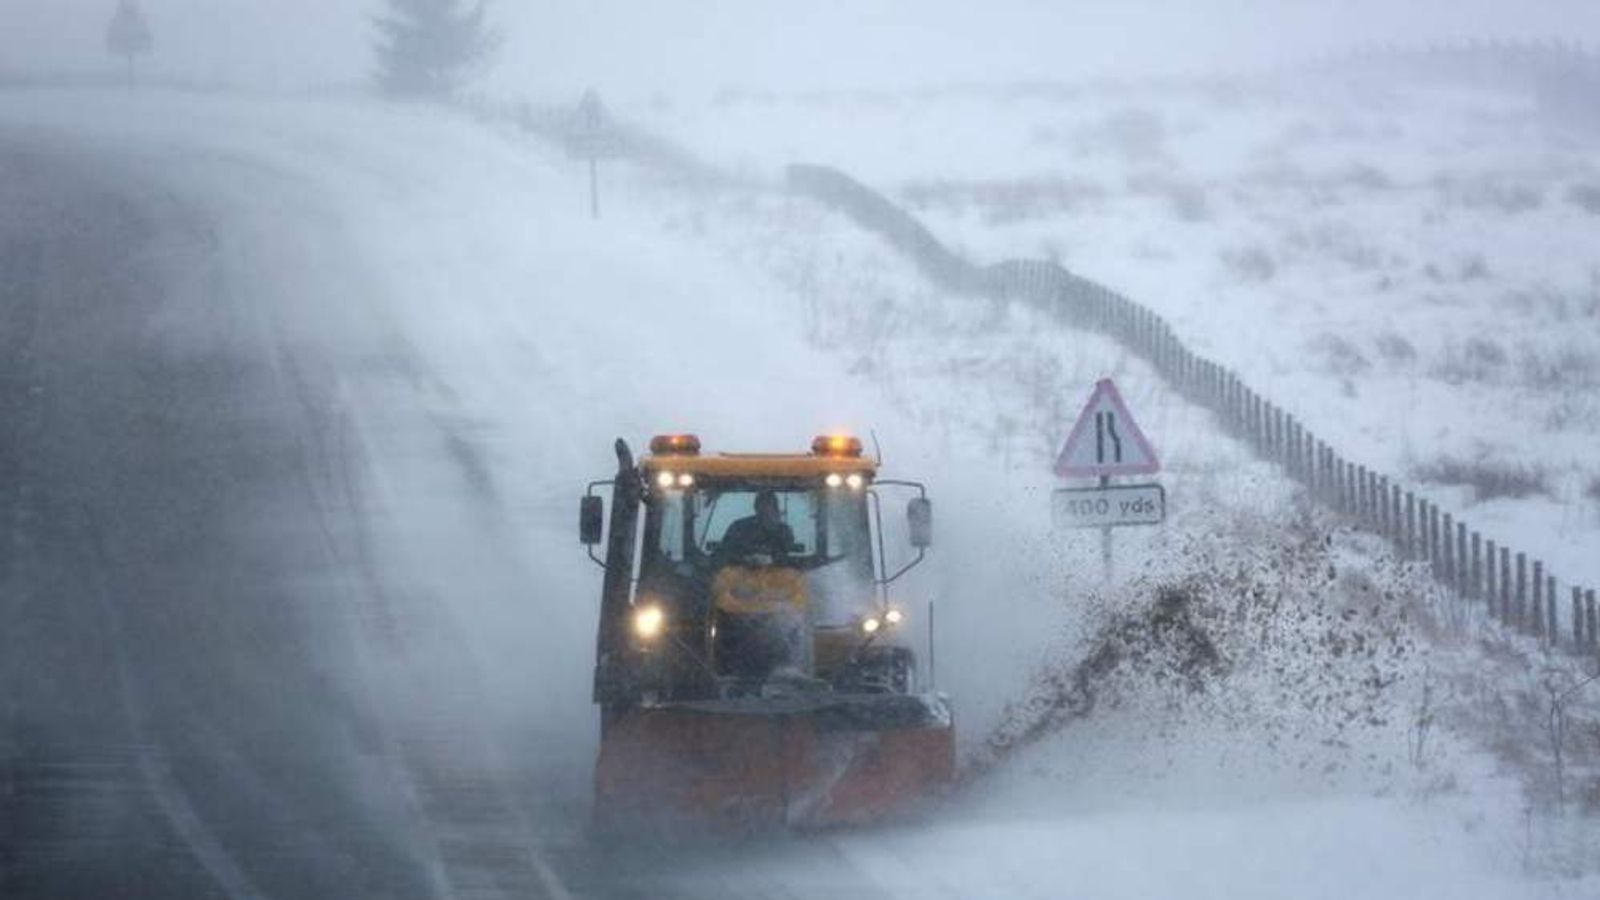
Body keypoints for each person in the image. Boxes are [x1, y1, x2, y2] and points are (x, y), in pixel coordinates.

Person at [716, 490, 795, 564]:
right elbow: (724, 551)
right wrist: (745, 558)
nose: (764, 509)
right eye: (761, 505)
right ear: (755, 507)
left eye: (768, 505)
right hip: (738, 574)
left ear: (775, 508)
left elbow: (786, 554)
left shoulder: (783, 531)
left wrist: (772, 558)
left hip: (779, 575)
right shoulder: (738, 527)